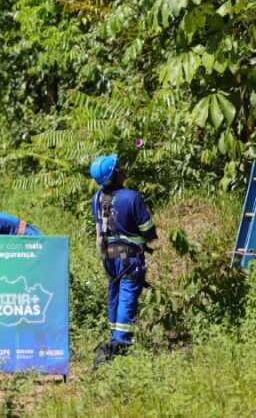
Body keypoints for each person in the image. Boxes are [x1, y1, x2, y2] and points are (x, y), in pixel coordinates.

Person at [90, 153, 157, 364]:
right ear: (115, 174)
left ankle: (114, 338)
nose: (122, 170)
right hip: (129, 258)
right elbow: (149, 231)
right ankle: (120, 344)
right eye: (119, 167)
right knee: (127, 294)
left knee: (115, 294)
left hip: (108, 257)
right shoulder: (131, 197)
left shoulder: (97, 198)